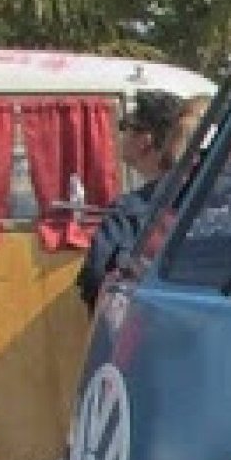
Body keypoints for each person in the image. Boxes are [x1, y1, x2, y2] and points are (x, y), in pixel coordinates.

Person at [76, 90, 187, 310]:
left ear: (145, 141)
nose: (121, 136)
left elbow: (96, 276)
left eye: (125, 128)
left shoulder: (129, 210)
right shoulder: (203, 198)